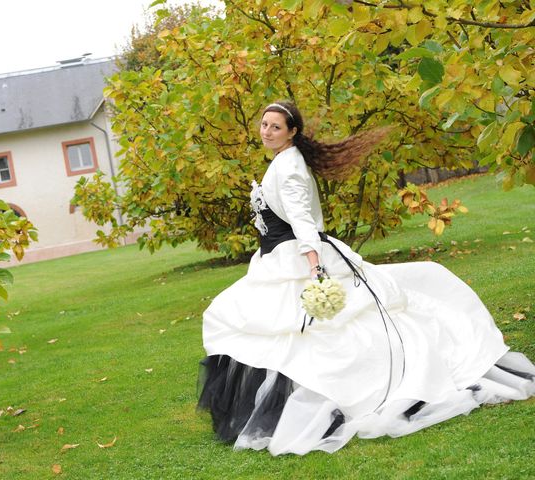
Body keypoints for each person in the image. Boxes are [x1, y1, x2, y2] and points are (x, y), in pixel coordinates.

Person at [197, 101, 535, 456]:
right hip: (277, 258)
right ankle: (288, 404)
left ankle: (349, 392)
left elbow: (302, 220)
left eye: (275, 127)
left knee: (314, 330)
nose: (266, 131)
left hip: (297, 257)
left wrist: (315, 270)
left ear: (292, 132)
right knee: (276, 328)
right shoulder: (284, 160)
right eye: (264, 124)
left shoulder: (290, 167)